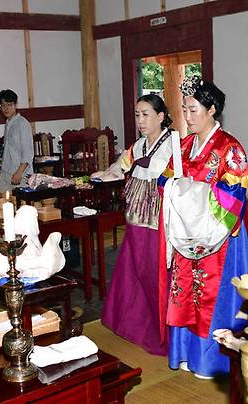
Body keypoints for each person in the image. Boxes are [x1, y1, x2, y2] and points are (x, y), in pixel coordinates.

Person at [158, 77, 248, 378]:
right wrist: (175, 187)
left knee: (213, 297)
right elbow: (164, 181)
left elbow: (234, 195)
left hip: (219, 237)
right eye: (184, 109)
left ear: (212, 110)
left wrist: (192, 192)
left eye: (193, 109)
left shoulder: (230, 149)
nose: (187, 116)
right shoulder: (183, 146)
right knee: (185, 291)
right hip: (187, 237)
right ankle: (186, 353)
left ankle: (212, 360)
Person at [98, 94, 179, 355]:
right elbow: (121, 166)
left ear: (161, 116)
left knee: (154, 274)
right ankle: (132, 324)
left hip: (159, 222)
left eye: (146, 114)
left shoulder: (173, 145)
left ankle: (163, 332)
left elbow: (179, 181)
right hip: (136, 219)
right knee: (132, 270)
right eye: (137, 114)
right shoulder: (139, 146)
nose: (140, 120)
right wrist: (106, 173)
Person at [0, 89, 34, 192]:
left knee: (22, 206)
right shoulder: (8, 123)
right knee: (1, 205)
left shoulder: (22, 124)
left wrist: (19, 172)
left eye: (9, 104)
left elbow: (27, 152)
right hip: (6, 172)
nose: (6, 108)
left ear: (16, 105)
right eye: (3, 105)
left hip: (20, 174)